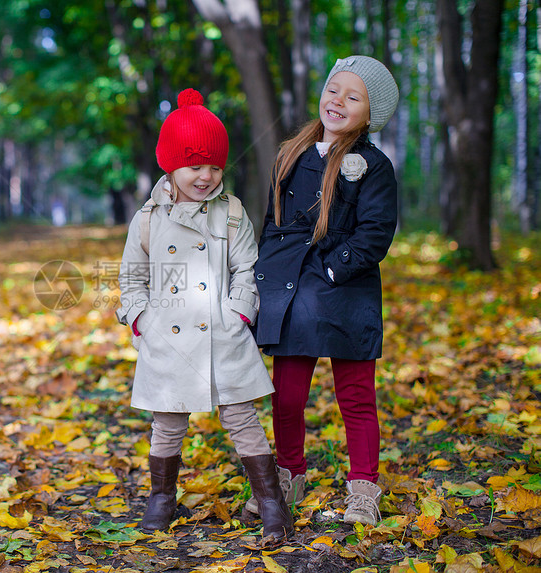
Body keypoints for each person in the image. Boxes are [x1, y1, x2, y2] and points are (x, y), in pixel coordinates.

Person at [117, 88, 293, 543]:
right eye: (195, 166)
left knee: (242, 418)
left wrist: (238, 311)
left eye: (215, 166)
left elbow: (246, 269)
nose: (206, 176)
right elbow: (131, 277)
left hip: (222, 333)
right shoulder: (148, 219)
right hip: (167, 337)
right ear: (171, 165)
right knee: (168, 422)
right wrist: (141, 321)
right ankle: (161, 497)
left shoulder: (231, 213)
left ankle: (271, 501)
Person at [251, 56, 400, 526]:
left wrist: (334, 271)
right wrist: (262, 278)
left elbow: (375, 232)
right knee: (287, 396)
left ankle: (363, 487)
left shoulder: (373, 166)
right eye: (334, 89)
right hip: (290, 295)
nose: (337, 101)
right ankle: (289, 475)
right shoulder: (292, 152)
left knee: (355, 396)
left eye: (353, 97)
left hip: (344, 294)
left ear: (369, 114)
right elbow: (272, 222)